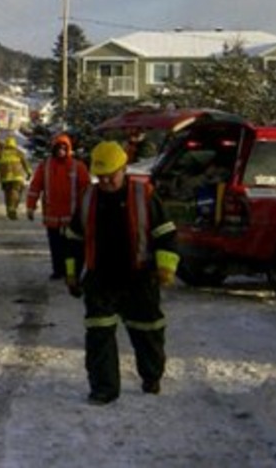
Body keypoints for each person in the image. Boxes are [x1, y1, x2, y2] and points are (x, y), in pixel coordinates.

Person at [63, 140, 178, 405]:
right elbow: (73, 239)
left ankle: (152, 375)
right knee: (99, 334)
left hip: (139, 277)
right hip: (100, 277)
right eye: (100, 177)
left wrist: (165, 267)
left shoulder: (144, 195)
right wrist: (71, 273)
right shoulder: (87, 197)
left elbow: (166, 234)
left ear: (123, 169)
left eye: (110, 176)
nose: (104, 181)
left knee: (147, 330)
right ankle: (104, 388)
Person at [26, 133, 90, 280]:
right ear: (53, 148)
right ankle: (58, 270)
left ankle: (72, 272)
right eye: (58, 147)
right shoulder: (45, 166)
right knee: (56, 247)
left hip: (72, 217)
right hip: (52, 217)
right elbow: (35, 187)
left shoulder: (77, 167)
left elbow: (86, 190)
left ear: (68, 149)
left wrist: (88, 212)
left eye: (64, 147)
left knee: (72, 248)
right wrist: (30, 206)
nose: (61, 150)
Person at [0, 136, 32, 220]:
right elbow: (25, 164)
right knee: (16, 193)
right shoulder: (18, 152)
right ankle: (13, 208)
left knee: (8, 194)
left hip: (5, 178)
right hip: (17, 177)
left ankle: (9, 209)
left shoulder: (1, 153)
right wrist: (29, 173)